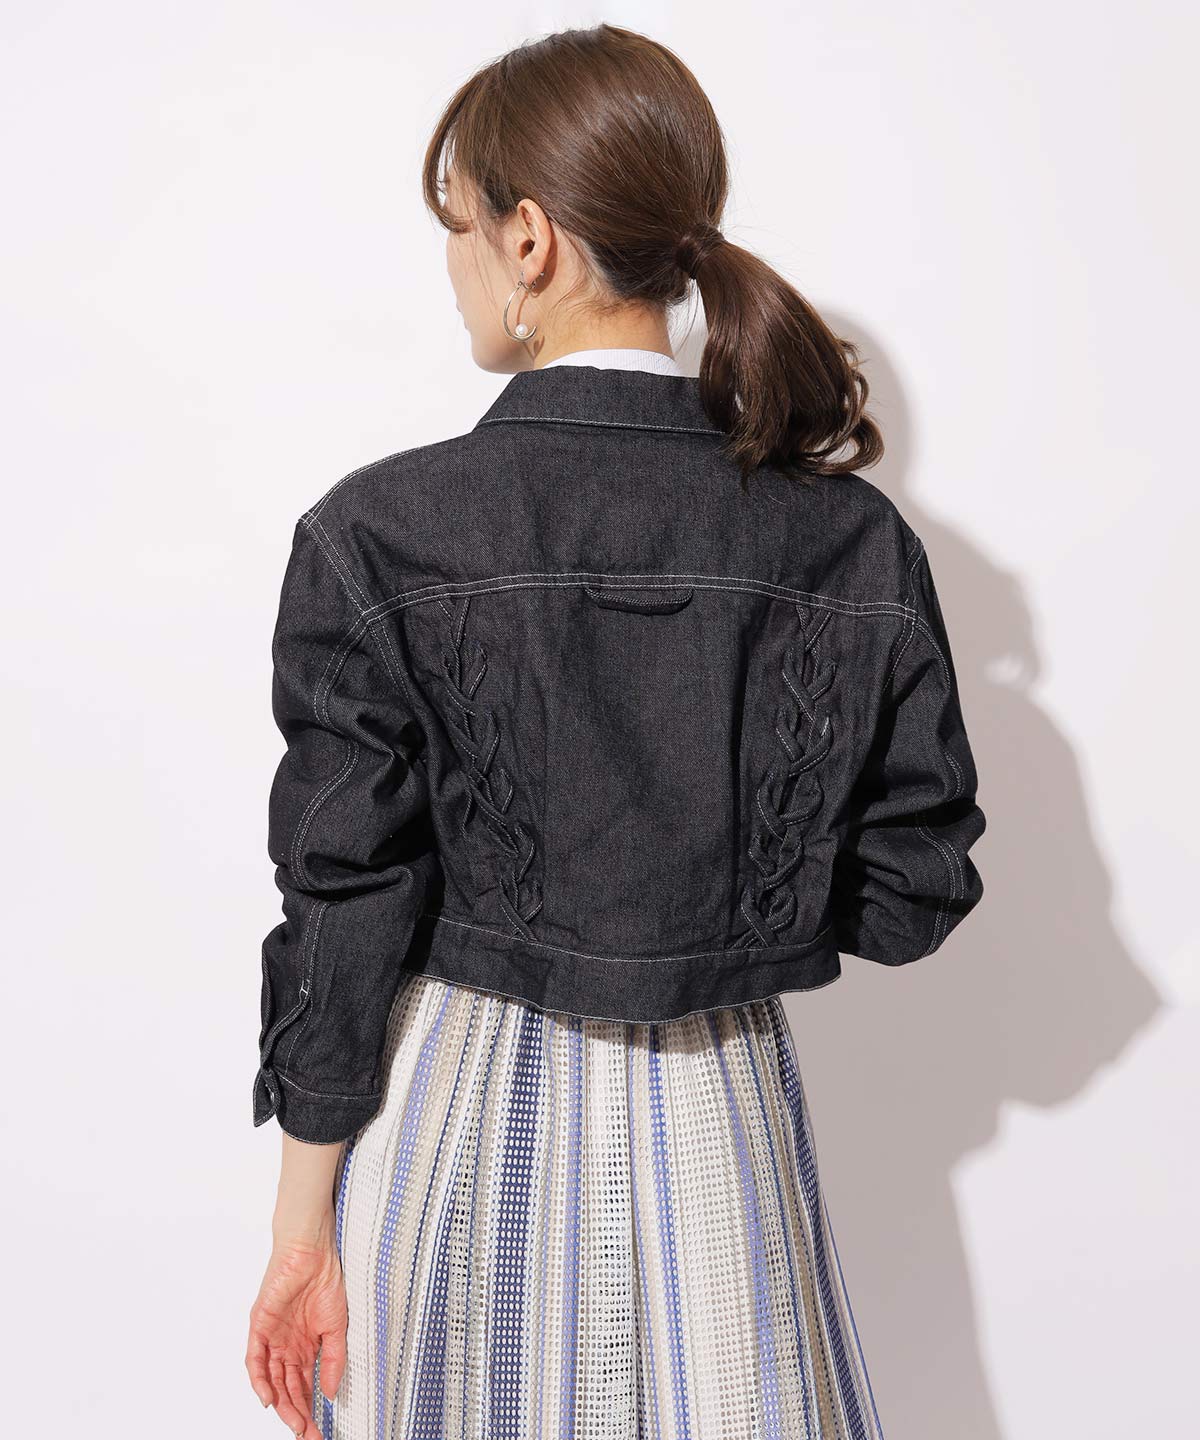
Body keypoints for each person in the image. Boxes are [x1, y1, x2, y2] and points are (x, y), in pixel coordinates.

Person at [244, 22, 986, 1440]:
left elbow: (347, 903)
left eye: (457, 222)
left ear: (527, 240)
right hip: (727, 1118)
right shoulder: (850, 542)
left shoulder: (379, 533)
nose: (453, 259)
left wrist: (299, 1235)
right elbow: (914, 892)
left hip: (464, 1129)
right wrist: (730, 895)